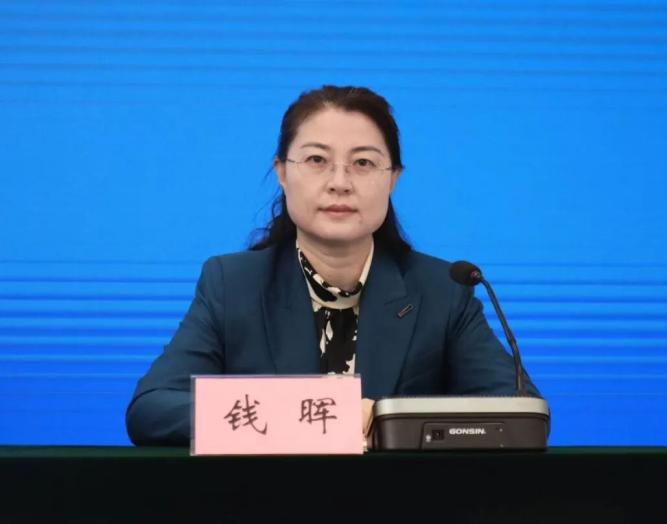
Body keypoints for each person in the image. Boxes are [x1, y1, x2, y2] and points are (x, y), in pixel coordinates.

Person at [126, 85, 540, 445]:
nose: (339, 182)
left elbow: (521, 413)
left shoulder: (443, 291)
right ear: (282, 173)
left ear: (393, 178)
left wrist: (389, 421)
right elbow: (152, 410)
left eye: (363, 163)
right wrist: (320, 418)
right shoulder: (233, 285)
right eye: (316, 160)